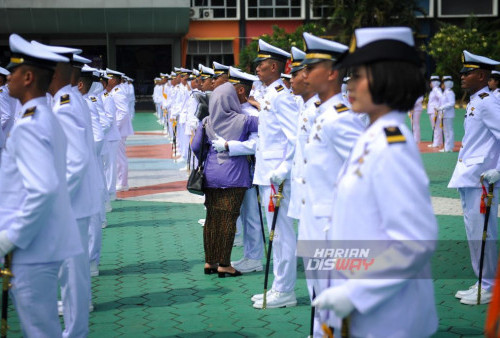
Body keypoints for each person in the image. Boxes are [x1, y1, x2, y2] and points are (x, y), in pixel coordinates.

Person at [312, 27, 438, 336]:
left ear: (387, 78)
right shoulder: (372, 136)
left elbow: (414, 242)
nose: (349, 85)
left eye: (358, 76)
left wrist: (356, 293)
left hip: (387, 319)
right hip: (364, 313)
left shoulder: (391, 146)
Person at [0, 33, 83, 338]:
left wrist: (10, 238)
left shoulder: (31, 124)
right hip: (43, 243)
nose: (8, 77)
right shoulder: (41, 116)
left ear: (28, 77)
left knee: (39, 331)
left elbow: (44, 188)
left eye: (14, 71)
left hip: (33, 248)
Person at [298, 32, 366, 337]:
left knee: (332, 303)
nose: (304, 73)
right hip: (315, 221)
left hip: (330, 228)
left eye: (311, 67)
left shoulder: (340, 118)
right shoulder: (323, 114)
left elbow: (366, 173)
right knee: (320, 299)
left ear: (332, 73)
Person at [250, 39, 300, 309]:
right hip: (268, 173)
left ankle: (285, 291)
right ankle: (279, 287)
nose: (257, 68)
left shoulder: (281, 96)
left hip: (277, 177)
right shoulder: (271, 93)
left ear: (273, 66)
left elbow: (294, 139)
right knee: (275, 233)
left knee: (281, 234)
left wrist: (283, 170)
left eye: (261, 64)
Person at [448, 50, 500, 305]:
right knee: (473, 231)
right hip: (470, 176)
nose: (462, 76)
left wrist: (499, 170)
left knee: (484, 232)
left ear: (481, 75)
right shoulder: (476, 102)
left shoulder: (488, 103)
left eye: (467, 72)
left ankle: (489, 285)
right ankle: (483, 280)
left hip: (483, 178)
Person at [191, 82, 258, 278]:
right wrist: (259, 105)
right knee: (228, 219)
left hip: (211, 175)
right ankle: (225, 264)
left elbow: (196, 147)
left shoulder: (207, 121)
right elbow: (268, 123)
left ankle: (209, 261)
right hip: (235, 177)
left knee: (212, 219)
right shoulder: (244, 120)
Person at [212, 67, 264, 273]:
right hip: (238, 172)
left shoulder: (251, 114)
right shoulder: (237, 111)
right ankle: (249, 255)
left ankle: (255, 258)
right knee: (244, 214)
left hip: (251, 169)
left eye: (231, 88)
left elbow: (256, 145)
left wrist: (228, 146)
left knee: (252, 215)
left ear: (241, 91)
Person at [438, 76, 455, 153]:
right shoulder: (445, 92)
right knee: (446, 131)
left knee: (448, 131)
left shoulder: (449, 92)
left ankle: (449, 147)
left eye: (443, 82)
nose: (441, 84)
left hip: (448, 114)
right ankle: (447, 146)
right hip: (444, 114)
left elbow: (452, 103)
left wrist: (442, 107)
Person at [427, 75, 442, 148]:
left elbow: (441, 98)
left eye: (431, 82)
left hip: (434, 111)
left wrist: (438, 107)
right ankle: (437, 142)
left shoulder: (436, 90)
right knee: (435, 127)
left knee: (436, 127)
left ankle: (436, 143)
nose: (430, 84)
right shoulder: (434, 90)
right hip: (432, 111)